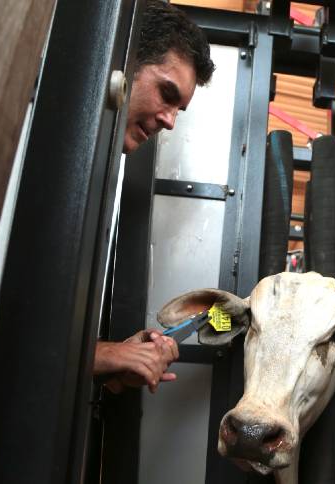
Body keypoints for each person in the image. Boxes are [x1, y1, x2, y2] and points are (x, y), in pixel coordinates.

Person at [93, 0, 215, 393]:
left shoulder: (226, 314)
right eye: (167, 93)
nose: (170, 121)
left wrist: (112, 359)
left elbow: (221, 319)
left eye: (178, 108)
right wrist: (105, 355)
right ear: (122, 61)